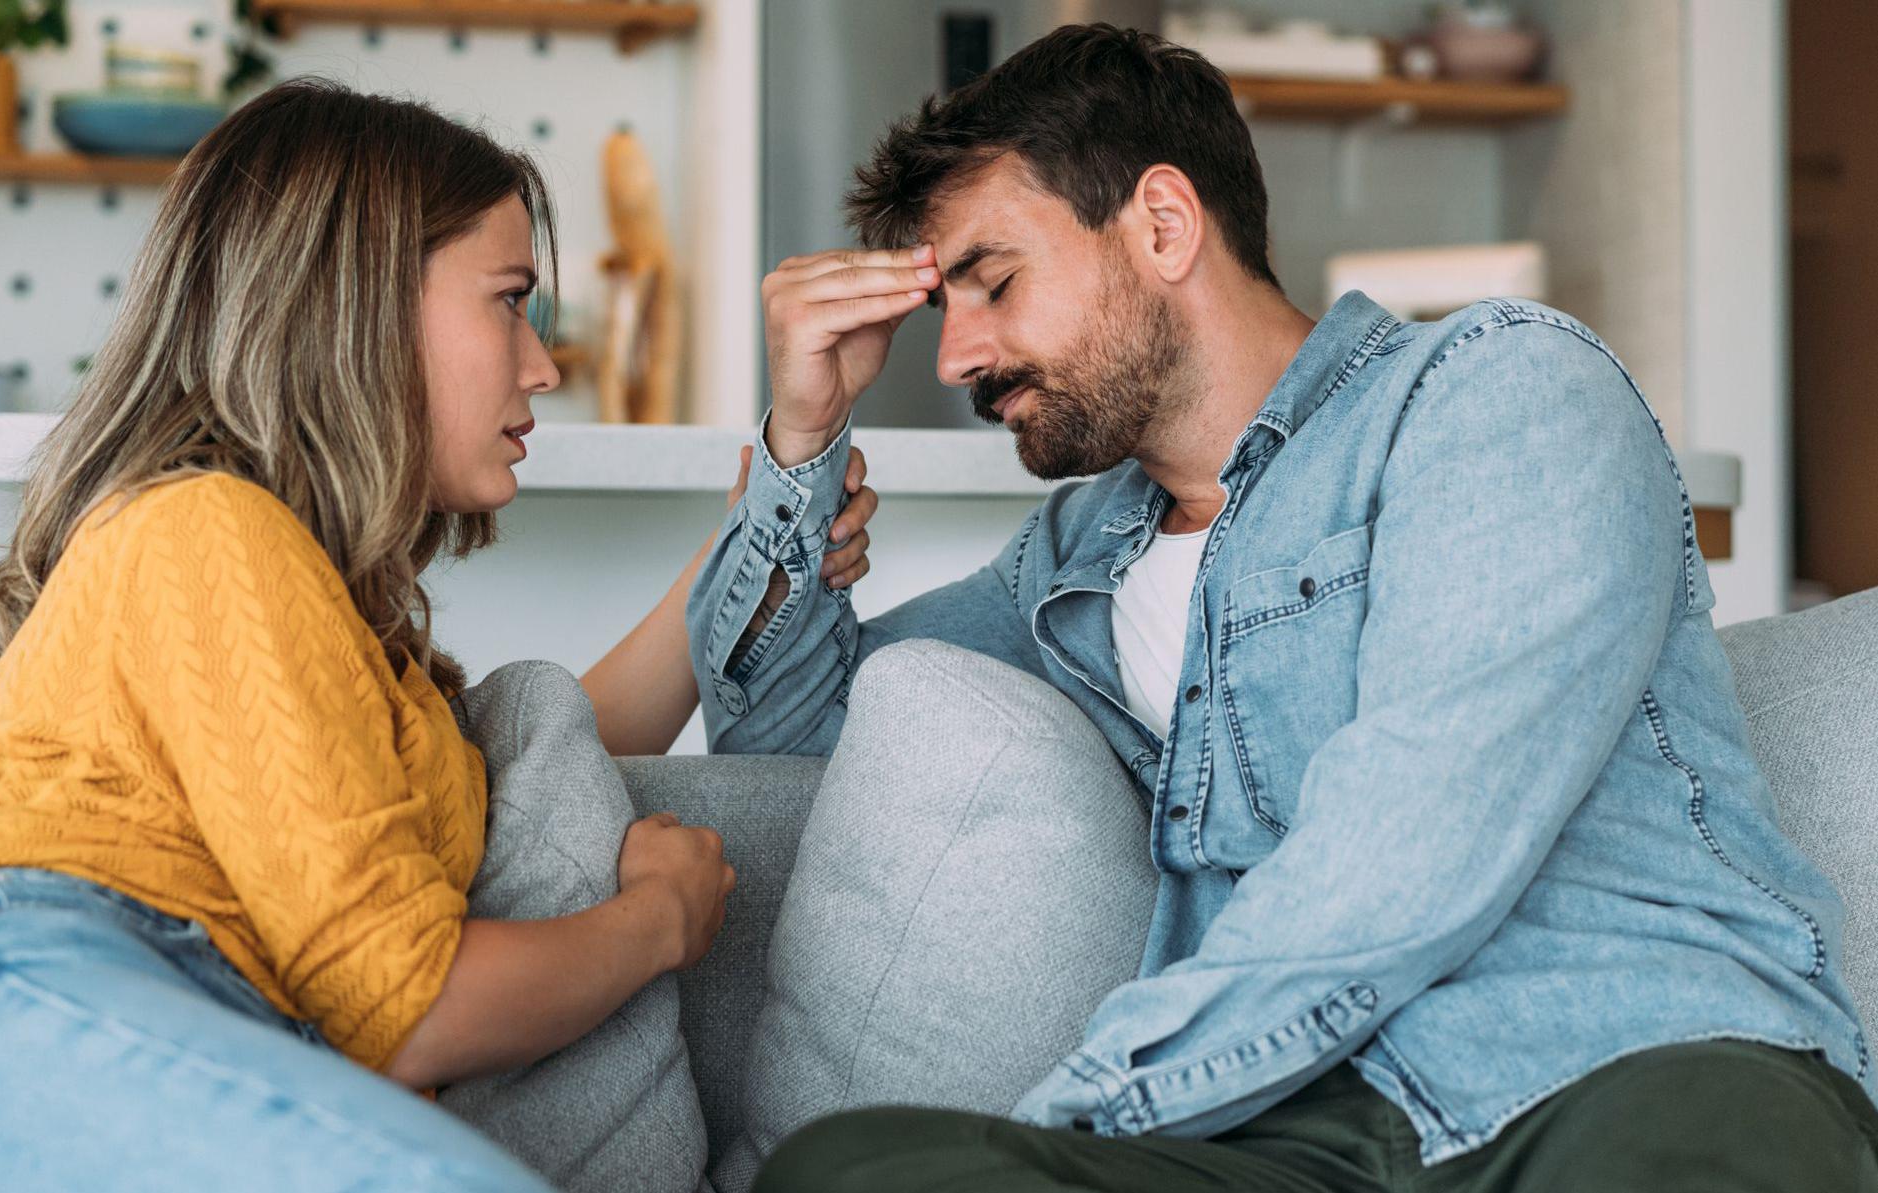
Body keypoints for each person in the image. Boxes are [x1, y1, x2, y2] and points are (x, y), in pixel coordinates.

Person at [684, 23, 1878, 1192]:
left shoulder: (1499, 389)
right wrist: (803, 438)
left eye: (992, 284)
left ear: (1164, 224)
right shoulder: (1072, 560)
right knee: (846, 1168)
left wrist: (1085, 1119)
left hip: (1617, 1064)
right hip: (1306, 1130)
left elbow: (1410, 842)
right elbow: (794, 743)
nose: (955, 357)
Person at [0, 79, 880, 1192]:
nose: (543, 365)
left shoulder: (343, 642)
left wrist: (765, 531)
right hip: (25, 1005)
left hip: (121, 1029)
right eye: (510, 301)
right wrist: (660, 918)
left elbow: (556, 743)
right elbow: (409, 1008)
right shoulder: (202, 527)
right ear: (358, 306)